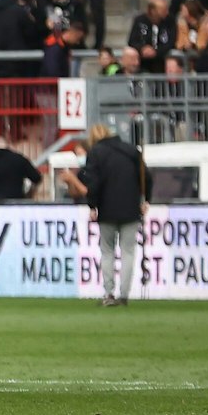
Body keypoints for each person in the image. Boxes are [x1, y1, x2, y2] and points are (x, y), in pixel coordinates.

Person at [79, 124, 149, 307]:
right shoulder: (132, 150)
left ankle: (109, 294)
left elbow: (93, 182)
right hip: (131, 208)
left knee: (108, 251)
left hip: (107, 209)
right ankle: (124, 295)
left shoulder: (95, 153)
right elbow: (146, 176)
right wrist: (145, 200)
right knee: (128, 252)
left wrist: (92, 205)